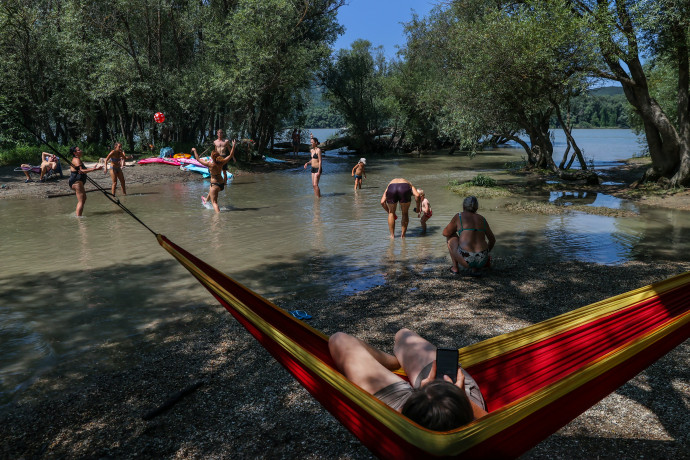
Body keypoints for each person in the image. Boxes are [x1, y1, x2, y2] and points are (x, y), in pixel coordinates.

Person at [329, 328, 488, 431]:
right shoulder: (486, 438)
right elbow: (490, 425)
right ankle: (400, 361)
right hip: (461, 409)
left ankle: (396, 361)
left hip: (405, 414)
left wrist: (423, 395)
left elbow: (401, 417)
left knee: (339, 339)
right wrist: (458, 397)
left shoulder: (402, 435)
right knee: (403, 335)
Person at [442, 196, 496, 275]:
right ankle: (476, 268)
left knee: (450, 236)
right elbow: (492, 240)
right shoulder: (482, 219)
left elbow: (445, 233)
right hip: (482, 259)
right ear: (477, 208)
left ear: (463, 206)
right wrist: (486, 253)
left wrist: (458, 234)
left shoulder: (459, 216)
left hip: (466, 259)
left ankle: (455, 268)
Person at [193, 140, 236, 213]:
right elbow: (231, 155)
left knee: (214, 203)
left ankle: (218, 217)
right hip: (221, 185)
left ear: (212, 157)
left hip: (215, 185)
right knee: (211, 188)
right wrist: (234, 145)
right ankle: (206, 200)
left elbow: (198, 159)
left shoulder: (210, 164)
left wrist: (194, 150)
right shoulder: (221, 162)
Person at [68, 146, 103, 216]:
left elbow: (82, 170)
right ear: (75, 153)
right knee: (81, 200)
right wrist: (95, 169)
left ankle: (78, 214)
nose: (81, 150)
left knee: (83, 198)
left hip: (77, 182)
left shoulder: (77, 159)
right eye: (79, 150)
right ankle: (79, 219)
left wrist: (93, 168)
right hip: (76, 182)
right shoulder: (76, 160)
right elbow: (81, 170)